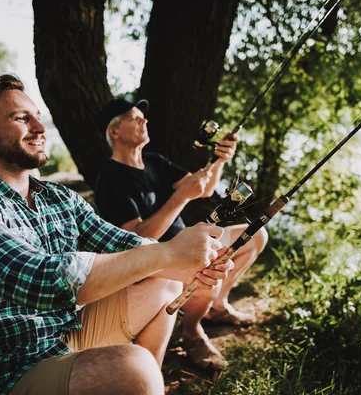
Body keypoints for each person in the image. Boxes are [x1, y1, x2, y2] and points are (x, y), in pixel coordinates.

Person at [0, 74, 235, 395]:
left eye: (38, 118)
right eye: (21, 118)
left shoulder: (59, 197)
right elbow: (43, 281)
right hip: (0, 372)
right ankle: (141, 383)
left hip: (58, 338)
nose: (40, 129)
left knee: (163, 281)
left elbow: (129, 245)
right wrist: (167, 253)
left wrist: (199, 262)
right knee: (133, 367)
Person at [94, 98, 268, 370]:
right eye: (134, 117)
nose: (144, 120)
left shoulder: (154, 162)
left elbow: (204, 187)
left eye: (143, 116)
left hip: (188, 243)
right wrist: (181, 197)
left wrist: (220, 159)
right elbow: (139, 239)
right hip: (156, 261)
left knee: (255, 236)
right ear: (114, 132)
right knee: (208, 272)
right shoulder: (109, 178)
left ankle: (218, 307)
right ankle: (192, 332)